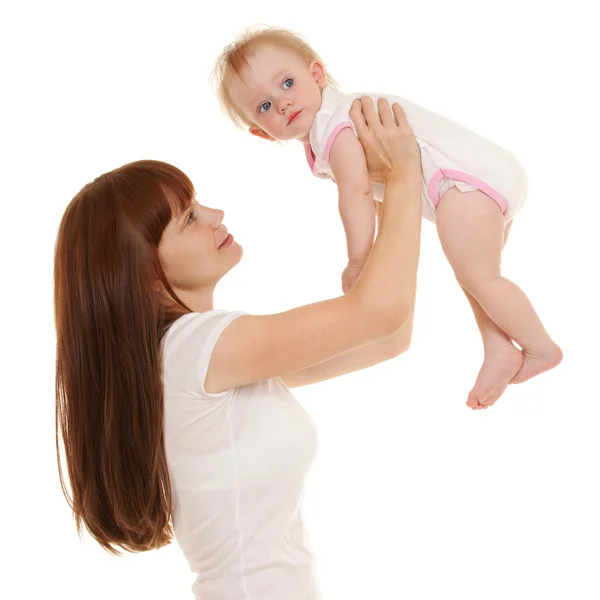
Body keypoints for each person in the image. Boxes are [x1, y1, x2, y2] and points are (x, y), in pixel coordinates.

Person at [54, 97, 422, 600]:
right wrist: (404, 176)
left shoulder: (189, 364)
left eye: (196, 202)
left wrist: (381, 194)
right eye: (187, 219)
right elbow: (382, 314)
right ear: (142, 277)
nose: (214, 214)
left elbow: (389, 336)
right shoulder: (197, 349)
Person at [212, 25, 563, 409]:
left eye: (287, 83)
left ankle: (540, 347)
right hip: (477, 180)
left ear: (317, 75)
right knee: (474, 279)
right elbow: (378, 194)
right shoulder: (331, 124)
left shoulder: (335, 123)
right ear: (262, 133)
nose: (281, 103)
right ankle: (499, 347)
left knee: (482, 278)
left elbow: (357, 192)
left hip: (464, 182)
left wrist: (359, 261)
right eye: (264, 106)